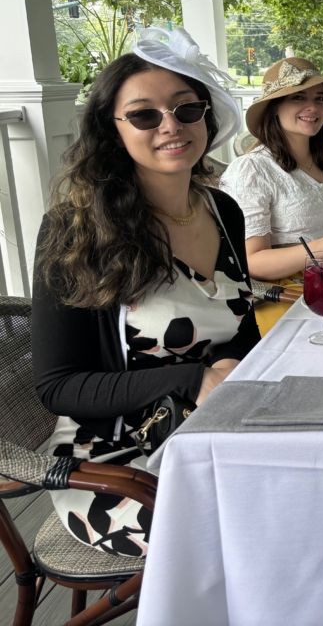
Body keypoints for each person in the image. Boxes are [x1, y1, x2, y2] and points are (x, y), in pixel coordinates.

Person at [32, 28, 259, 557]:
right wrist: (194, 377)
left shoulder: (222, 212)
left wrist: (227, 370)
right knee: (260, 529)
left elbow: (241, 329)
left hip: (215, 429)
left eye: (186, 109)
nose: (170, 126)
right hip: (117, 461)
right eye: (143, 115)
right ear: (113, 131)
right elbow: (58, 385)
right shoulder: (77, 230)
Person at [220, 58, 323, 333]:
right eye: (298, 97)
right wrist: (322, 246)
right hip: (282, 296)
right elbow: (252, 261)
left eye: (320, 98)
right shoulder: (252, 169)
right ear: (274, 107)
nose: (312, 107)